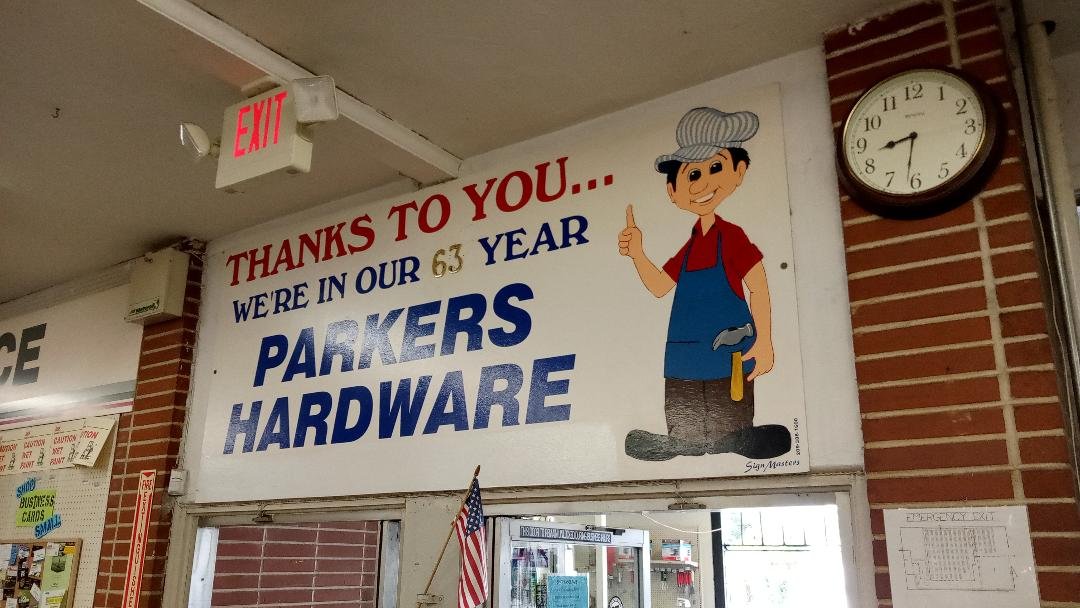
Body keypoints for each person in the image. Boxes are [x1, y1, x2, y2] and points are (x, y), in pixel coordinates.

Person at [619, 106, 791, 461]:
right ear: (673, 191)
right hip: (683, 354)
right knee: (684, 407)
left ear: (739, 172)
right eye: (693, 175)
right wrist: (637, 252)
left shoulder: (732, 237)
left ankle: (738, 437)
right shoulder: (691, 243)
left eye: (716, 168)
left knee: (728, 407)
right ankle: (682, 440)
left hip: (729, 352)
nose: (705, 182)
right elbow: (658, 286)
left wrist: (767, 342)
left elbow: (758, 286)